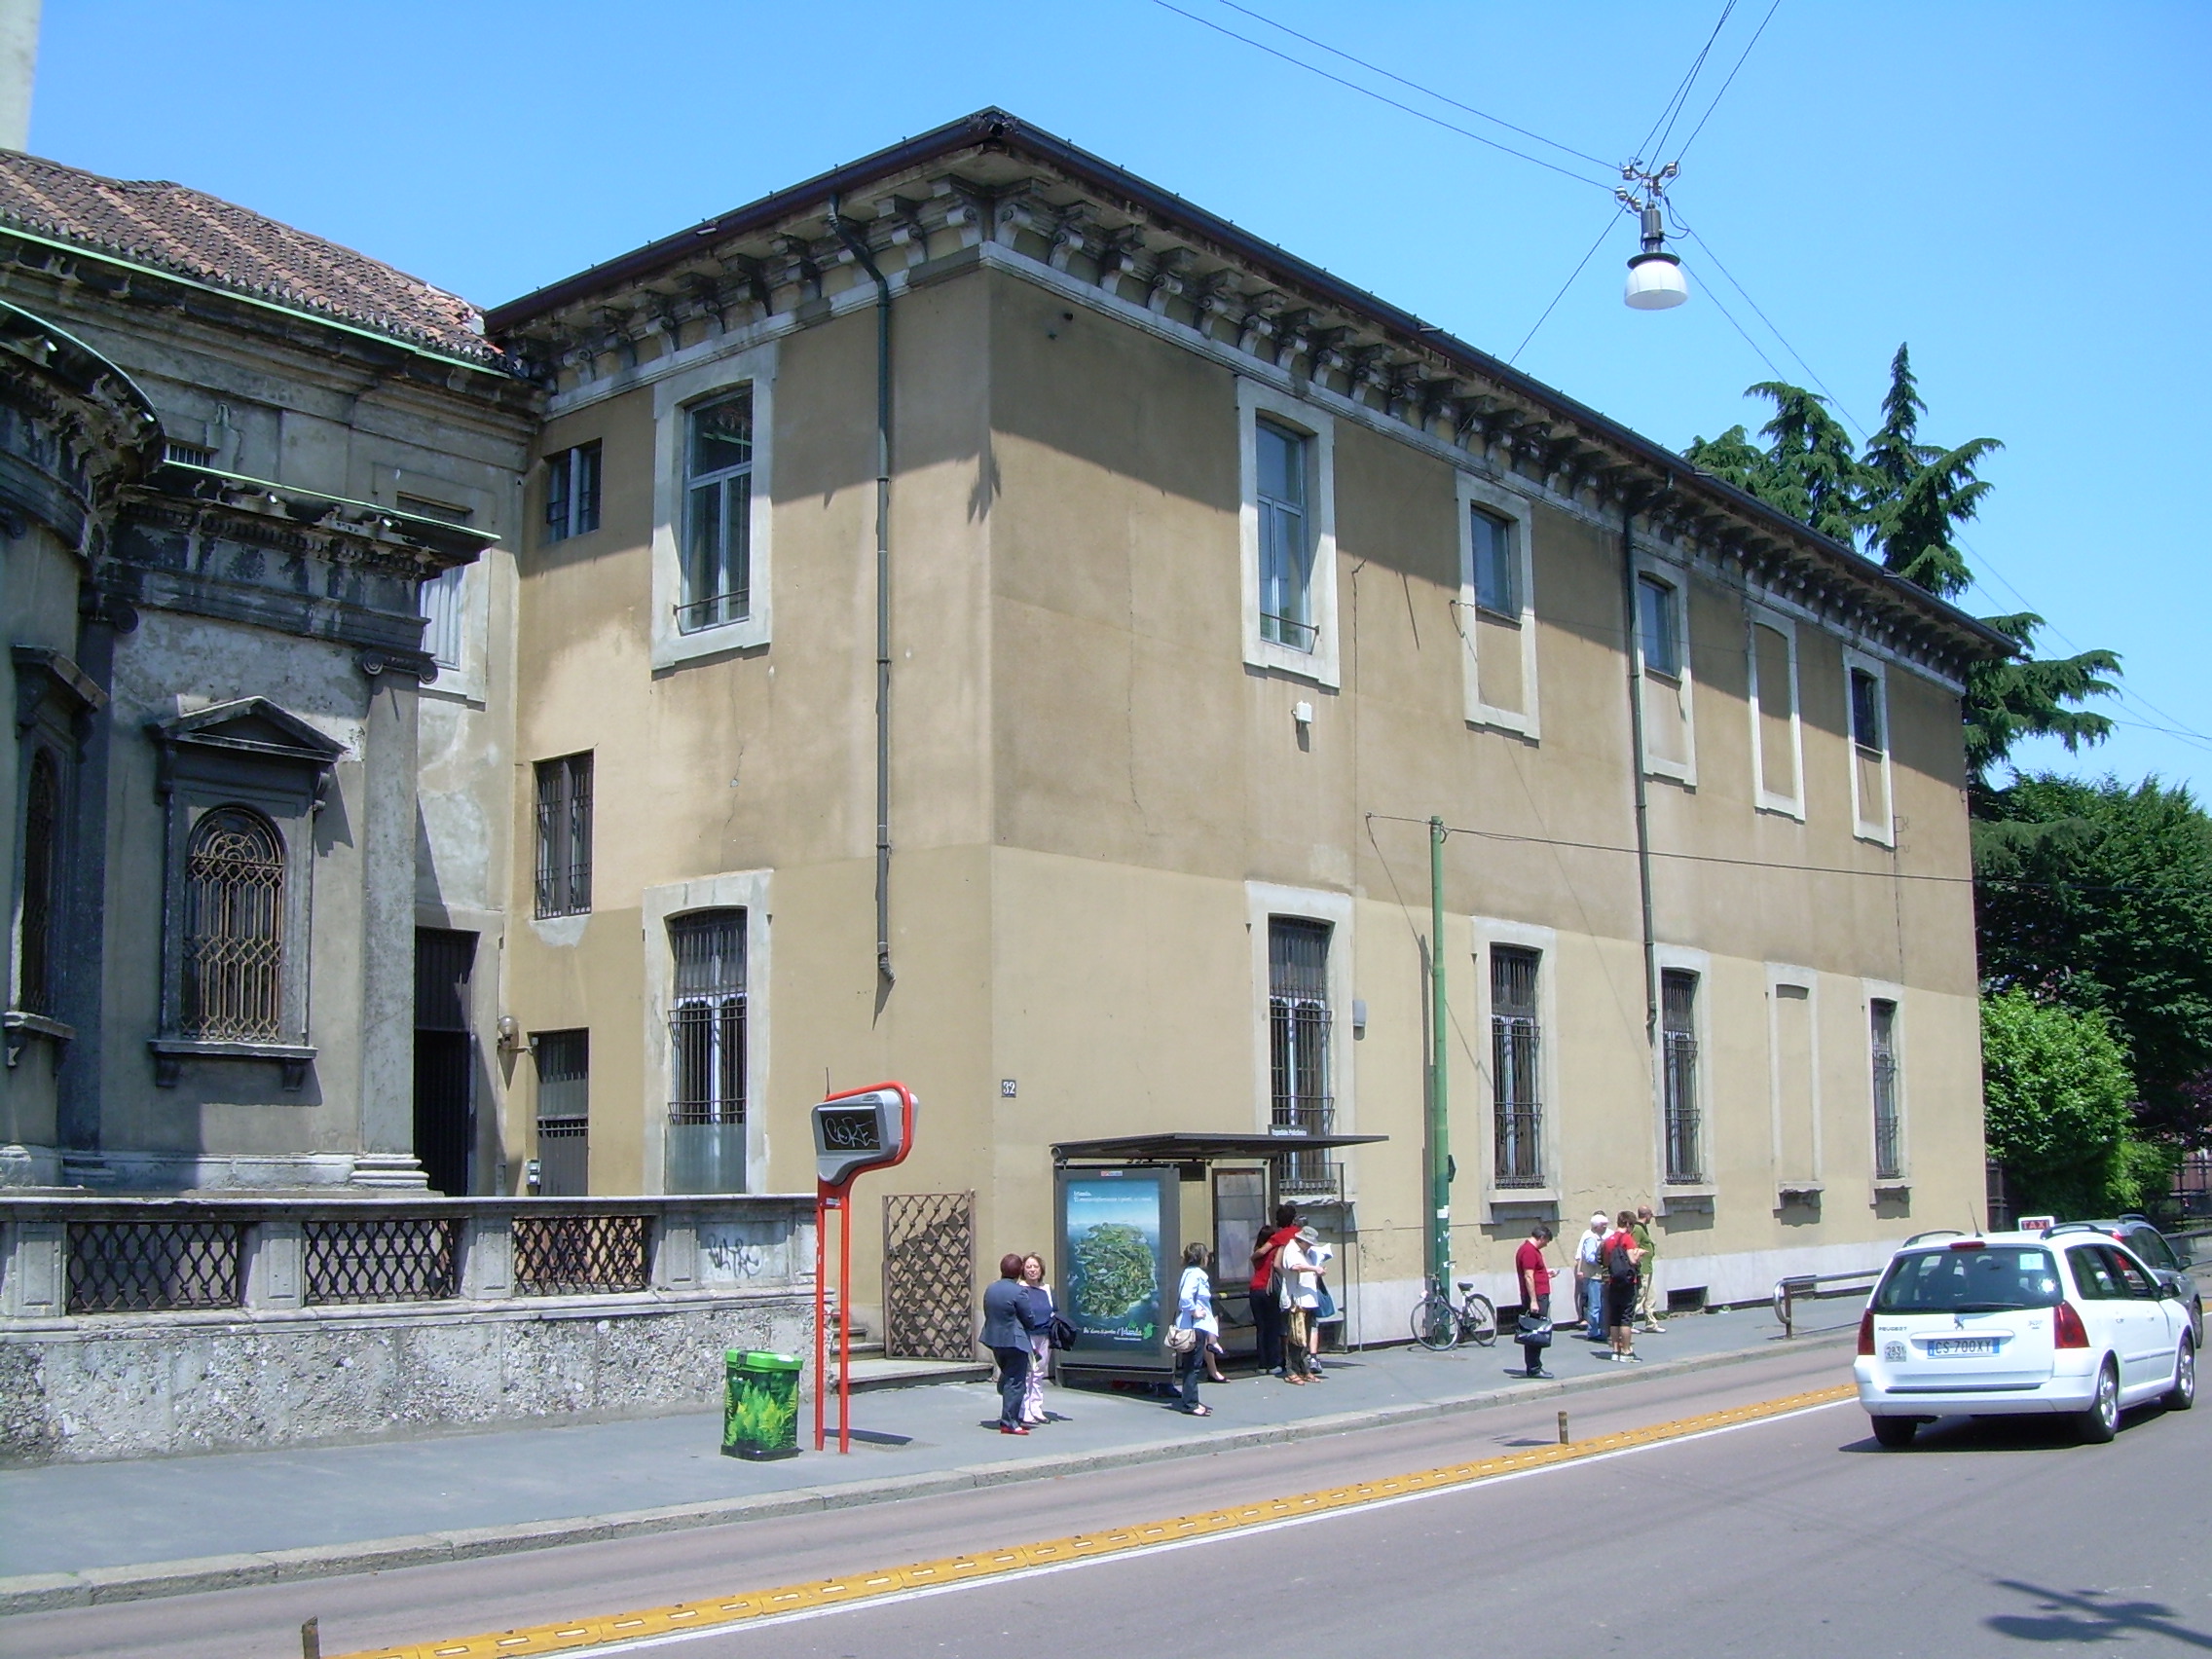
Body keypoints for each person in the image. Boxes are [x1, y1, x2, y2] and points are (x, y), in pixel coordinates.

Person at [980, 1252, 1049, 1434]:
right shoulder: (1019, 1292)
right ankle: (1010, 1422)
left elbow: (988, 1311)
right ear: (1019, 1271)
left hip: (994, 1339)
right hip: (1015, 1341)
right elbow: (1028, 1318)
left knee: (1009, 1375)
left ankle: (1005, 1391)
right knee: (1017, 1382)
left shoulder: (991, 1288)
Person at [1248, 1202, 1300, 1377]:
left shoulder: (1275, 1240)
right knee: (1277, 1327)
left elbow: (1260, 1253)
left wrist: (1254, 1256)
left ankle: (1263, 1363)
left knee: (1262, 1328)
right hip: (1277, 1289)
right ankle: (1281, 1361)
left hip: (1255, 1289)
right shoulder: (1296, 1236)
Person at [1172, 1241, 1218, 1416]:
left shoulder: (1188, 1273)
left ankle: (1192, 1400)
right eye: (1206, 1255)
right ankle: (1190, 1403)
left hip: (1191, 1325)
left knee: (1191, 1364)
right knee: (1193, 1365)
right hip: (1194, 1327)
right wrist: (1193, 1311)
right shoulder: (1197, 1275)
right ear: (1201, 1257)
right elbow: (1185, 1297)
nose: (1208, 1259)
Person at [1276, 1225, 1324, 1383]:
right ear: (1302, 1240)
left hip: (1308, 1300)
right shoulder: (1291, 1249)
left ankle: (1304, 1369)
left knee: (1305, 1337)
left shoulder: (1306, 1252)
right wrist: (1314, 1268)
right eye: (1308, 1243)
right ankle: (1291, 1371)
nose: (1310, 1246)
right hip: (1296, 1300)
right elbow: (1294, 1267)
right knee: (1295, 1336)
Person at [1514, 1223, 1556, 1379]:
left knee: (1536, 1331)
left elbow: (1534, 1273)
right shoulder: (1529, 1251)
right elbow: (1528, 1276)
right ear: (1541, 1237)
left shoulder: (1529, 1250)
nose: (1545, 1245)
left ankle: (1534, 1366)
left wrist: (1546, 1273)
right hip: (1537, 1297)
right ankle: (1534, 1367)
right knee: (1536, 1332)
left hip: (1538, 1295)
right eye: (1546, 1242)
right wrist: (1533, 1301)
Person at [1018, 1253, 1054, 1425]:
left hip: (1044, 1336)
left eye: (1035, 1267)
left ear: (1041, 1270)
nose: (1032, 1270)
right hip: (1027, 1336)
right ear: (1023, 1270)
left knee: (1039, 1372)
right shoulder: (1020, 1288)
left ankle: (1036, 1407)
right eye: (1029, 1267)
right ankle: (1024, 1409)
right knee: (1027, 1373)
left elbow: (1055, 1310)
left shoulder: (1047, 1290)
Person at [1603, 1209, 1642, 1362]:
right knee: (1626, 1318)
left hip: (1613, 1282)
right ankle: (1626, 1351)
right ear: (1628, 1224)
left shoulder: (1608, 1240)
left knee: (1614, 1318)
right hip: (1627, 1282)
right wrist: (1640, 1254)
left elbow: (1606, 1262)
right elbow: (1632, 1260)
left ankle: (1615, 1351)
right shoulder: (1627, 1239)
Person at [1575, 1213, 1609, 1343]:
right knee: (1595, 1305)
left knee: (1601, 1305)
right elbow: (1589, 1258)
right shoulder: (1591, 1238)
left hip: (1599, 1275)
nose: (1606, 1227)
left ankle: (1600, 1330)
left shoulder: (1600, 1237)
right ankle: (1593, 1331)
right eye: (1603, 1225)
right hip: (1593, 1276)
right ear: (1597, 1226)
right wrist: (1603, 1261)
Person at [1632, 1205, 1663, 1333]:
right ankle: (1629, 1323)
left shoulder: (1643, 1228)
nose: (1652, 1218)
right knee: (1640, 1297)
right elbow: (1633, 1247)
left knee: (1650, 1297)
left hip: (1648, 1268)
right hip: (1642, 1269)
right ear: (1647, 1215)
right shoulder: (1637, 1229)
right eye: (1651, 1215)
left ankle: (1651, 1323)